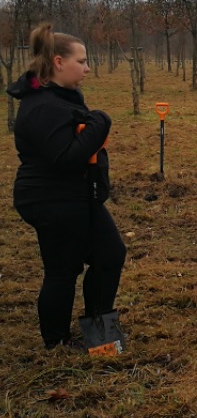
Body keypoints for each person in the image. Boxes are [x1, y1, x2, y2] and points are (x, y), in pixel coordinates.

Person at [9, 24, 126, 350]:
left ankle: (101, 335)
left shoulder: (60, 97)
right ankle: (56, 341)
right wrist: (100, 122)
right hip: (50, 199)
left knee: (110, 255)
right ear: (58, 62)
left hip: (76, 197)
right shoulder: (42, 106)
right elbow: (66, 158)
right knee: (63, 268)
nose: (88, 68)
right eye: (82, 61)